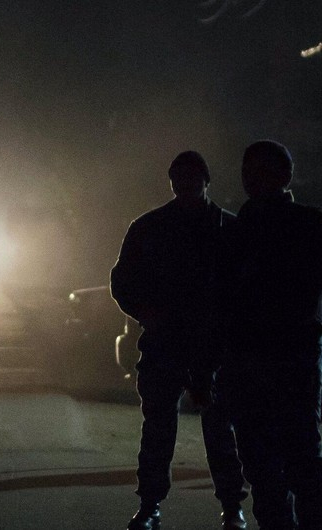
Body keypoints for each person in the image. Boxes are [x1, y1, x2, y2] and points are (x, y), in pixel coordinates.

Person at [224, 140, 322, 530]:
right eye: (247, 170)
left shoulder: (304, 223)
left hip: (290, 354)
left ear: (283, 176)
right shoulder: (243, 228)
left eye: (259, 170)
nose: (250, 178)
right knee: (263, 458)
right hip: (256, 356)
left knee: (296, 453)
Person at [110, 151, 247, 530]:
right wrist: (146, 312)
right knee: (166, 429)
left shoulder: (219, 228)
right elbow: (123, 282)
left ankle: (225, 505)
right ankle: (157, 504)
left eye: (192, 178)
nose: (186, 185)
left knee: (214, 430)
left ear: (205, 180)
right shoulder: (157, 227)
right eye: (180, 178)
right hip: (171, 341)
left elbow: (244, 288)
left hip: (206, 345)